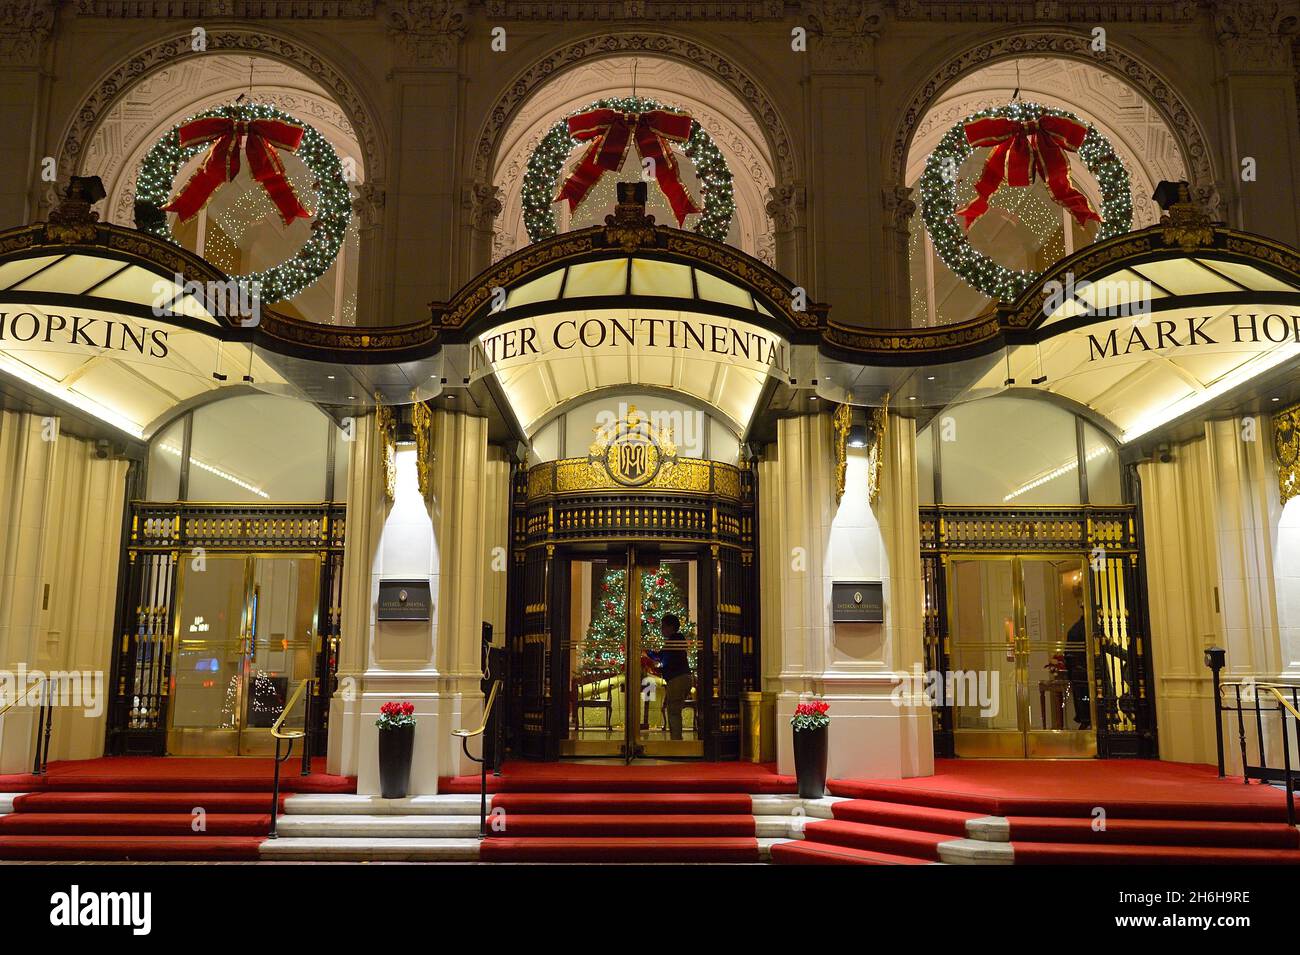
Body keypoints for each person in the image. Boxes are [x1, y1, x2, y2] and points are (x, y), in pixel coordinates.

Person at [657, 613, 692, 740]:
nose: (661, 630)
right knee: (675, 710)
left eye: (663, 627)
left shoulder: (674, 640)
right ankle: (676, 740)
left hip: (677, 679)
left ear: (671, 627)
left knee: (674, 712)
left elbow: (664, 658)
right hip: (685, 677)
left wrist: (646, 653)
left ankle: (676, 742)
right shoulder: (678, 639)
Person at [1065, 614, 1091, 729]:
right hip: (1088, 671)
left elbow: (1068, 654)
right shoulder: (1089, 628)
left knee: (1082, 701)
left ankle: (1084, 722)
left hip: (1077, 671)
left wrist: (1070, 674)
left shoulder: (1073, 629)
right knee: (1089, 701)